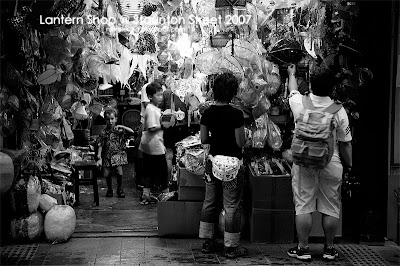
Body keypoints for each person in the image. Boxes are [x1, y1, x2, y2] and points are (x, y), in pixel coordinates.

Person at [286, 64, 352, 261]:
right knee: (330, 205)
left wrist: (291, 74)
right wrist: (349, 165)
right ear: (332, 88)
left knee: (303, 205)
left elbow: (292, 90)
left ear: (311, 84)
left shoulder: (300, 102)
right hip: (330, 161)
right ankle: (329, 248)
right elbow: (346, 144)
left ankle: (303, 248)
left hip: (304, 160)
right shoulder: (338, 109)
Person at [198, 73, 247, 259]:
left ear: (214, 90)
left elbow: (204, 139)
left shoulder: (207, 113)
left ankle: (207, 242)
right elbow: (240, 142)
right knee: (231, 205)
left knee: (209, 202)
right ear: (233, 92)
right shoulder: (236, 114)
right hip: (233, 166)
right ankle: (231, 247)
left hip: (213, 163)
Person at [138, 82, 169, 205]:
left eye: (162, 95)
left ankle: (146, 195)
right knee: (162, 170)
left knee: (149, 171)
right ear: (150, 97)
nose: (161, 97)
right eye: (159, 95)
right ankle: (166, 194)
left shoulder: (154, 108)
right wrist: (163, 125)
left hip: (152, 144)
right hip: (153, 145)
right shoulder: (151, 109)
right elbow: (151, 128)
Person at [96, 108, 134, 198]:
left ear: (116, 119)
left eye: (112, 119)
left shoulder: (120, 130)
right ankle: (109, 189)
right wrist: (99, 155)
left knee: (119, 173)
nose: (110, 121)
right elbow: (100, 143)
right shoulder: (104, 132)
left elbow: (132, 132)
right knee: (107, 173)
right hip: (107, 155)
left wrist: (122, 126)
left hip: (118, 155)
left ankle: (120, 189)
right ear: (105, 120)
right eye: (108, 119)